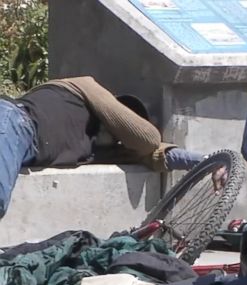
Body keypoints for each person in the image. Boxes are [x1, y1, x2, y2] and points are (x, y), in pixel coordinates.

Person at [0, 76, 218, 218]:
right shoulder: (83, 88)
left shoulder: (91, 144)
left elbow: (157, 155)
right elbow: (148, 139)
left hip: (23, 141)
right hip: (12, 120)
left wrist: (208, 162)